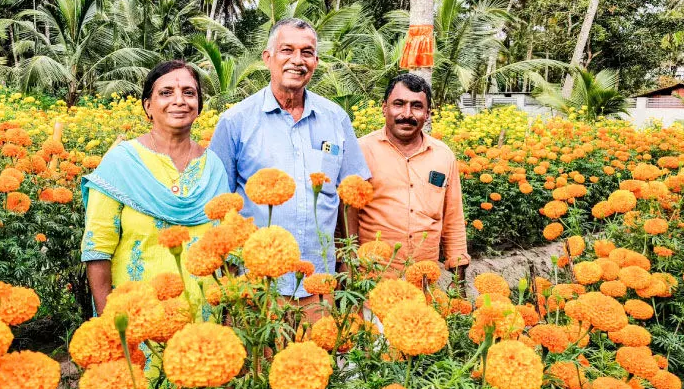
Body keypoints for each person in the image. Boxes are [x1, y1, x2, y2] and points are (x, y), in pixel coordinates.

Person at [209, 18, 371, 318]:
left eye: (307, 52)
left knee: (317, 363)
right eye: (287, 50)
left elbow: (350, 197)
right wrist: (232, 279)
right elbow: (220, 205)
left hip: (318, 286)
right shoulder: (235, 122)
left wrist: (346, 267)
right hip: (256, 287)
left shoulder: (336, 118)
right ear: (268, 57)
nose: (298, 60)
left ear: (316, 61)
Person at [80, 60, 229, 314]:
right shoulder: (121, 162)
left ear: (199, 106)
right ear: (148, 106)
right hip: (137, 322)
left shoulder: (213, 167)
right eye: (166, 92)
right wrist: (110, 325)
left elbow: (227, 249)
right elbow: (97, 250)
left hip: (202, 323)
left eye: (189, 93)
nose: (179, 100)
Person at [348, 73, 470, 295]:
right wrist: (347, 268)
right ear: (385, 108)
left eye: (416, 106)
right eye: (399, 104)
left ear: (427, 114)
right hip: (373, 284)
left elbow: (453, 220)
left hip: (424, 285)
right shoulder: (361, 151)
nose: (407, 114)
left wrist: (459, 285)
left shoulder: (443, 156)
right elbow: (347, 218)